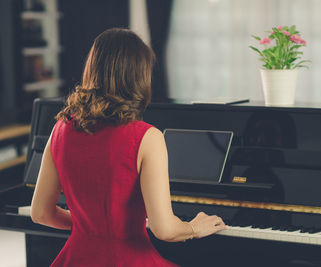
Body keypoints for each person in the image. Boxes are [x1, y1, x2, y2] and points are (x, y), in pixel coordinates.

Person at [30, 28, 226, 266]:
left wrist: (92, 226)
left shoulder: (60, 129)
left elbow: (40, 213)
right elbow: (164, 230)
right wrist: (193, 227)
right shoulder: (147, 137)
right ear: (139, 77)